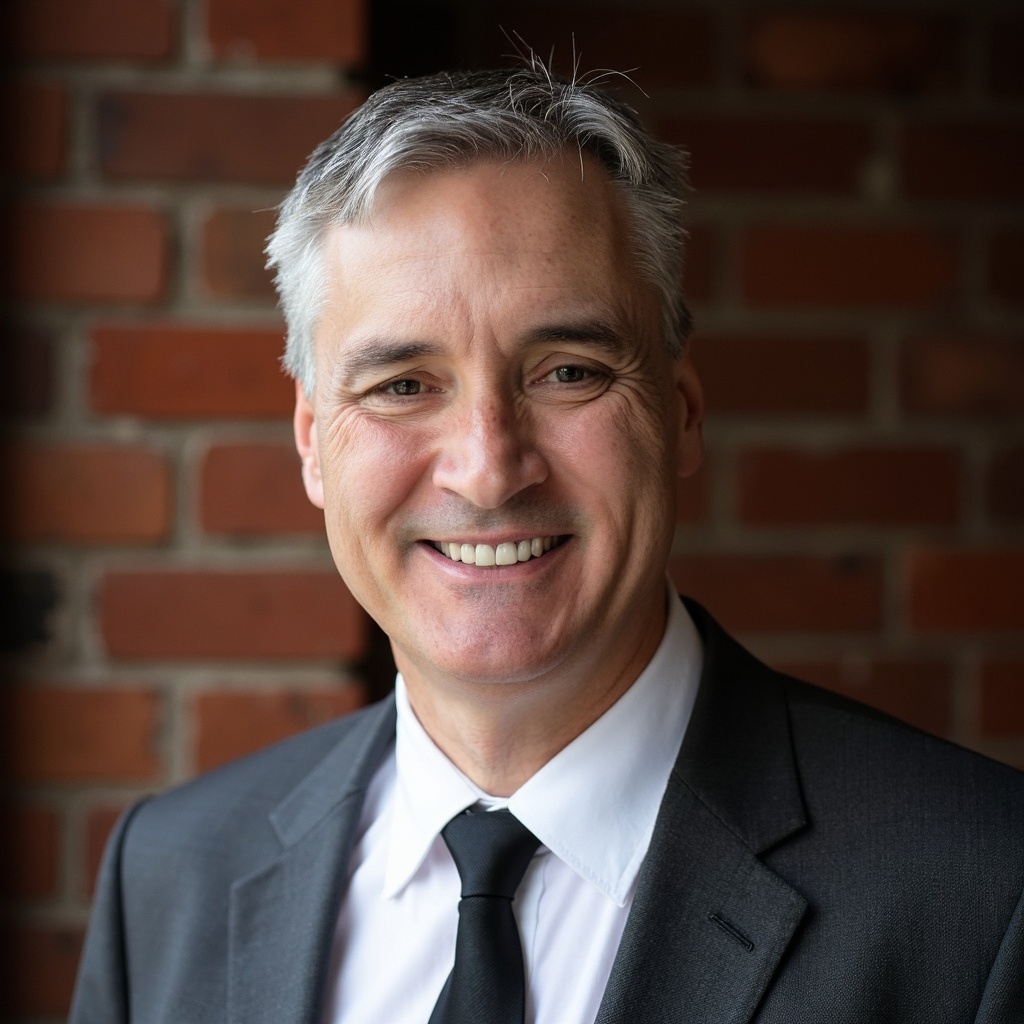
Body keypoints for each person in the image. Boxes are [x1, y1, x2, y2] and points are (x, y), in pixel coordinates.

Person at [70, 64, 1023, 1024]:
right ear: (315, 445)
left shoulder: (983, 890)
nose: (488, 470)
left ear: (680, 414)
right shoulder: (168, 876)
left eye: (568, 371)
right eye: (403, 384)